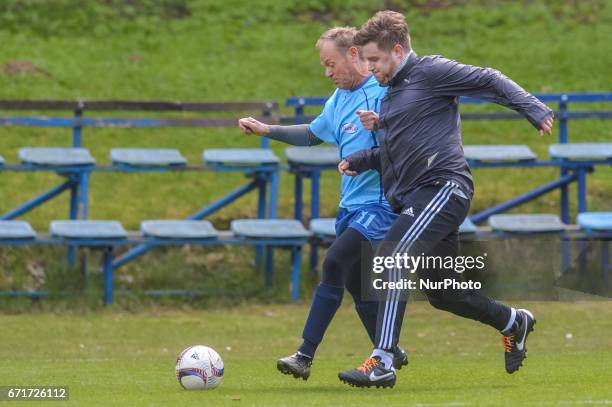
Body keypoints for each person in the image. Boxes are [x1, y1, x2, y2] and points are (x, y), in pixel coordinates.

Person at [336, 11, 554, 388]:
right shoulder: (390, 98)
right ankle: (513, 322)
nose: (369, 69)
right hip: (417, 196)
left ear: (398, 50)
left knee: (391, 256)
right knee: (444, 292)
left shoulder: (431, 71)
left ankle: (383, 360)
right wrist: (363, 159)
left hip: (443, 187)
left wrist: (533, 108)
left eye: (374, 60)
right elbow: (399, 152)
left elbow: (488, 78)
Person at [238, 27, 408, 381]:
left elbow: (406, 138)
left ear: (353, 55)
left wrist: (381, 128)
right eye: (324, 65)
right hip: (350, 206)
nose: (327, 73)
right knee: (357, 286)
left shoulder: (385, 89)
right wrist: (268, 130)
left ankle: (304, 355)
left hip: (380, 205)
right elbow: (314, 134)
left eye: (331, 64)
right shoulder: (338, 99)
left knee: (334, 262)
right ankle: (387, 347)